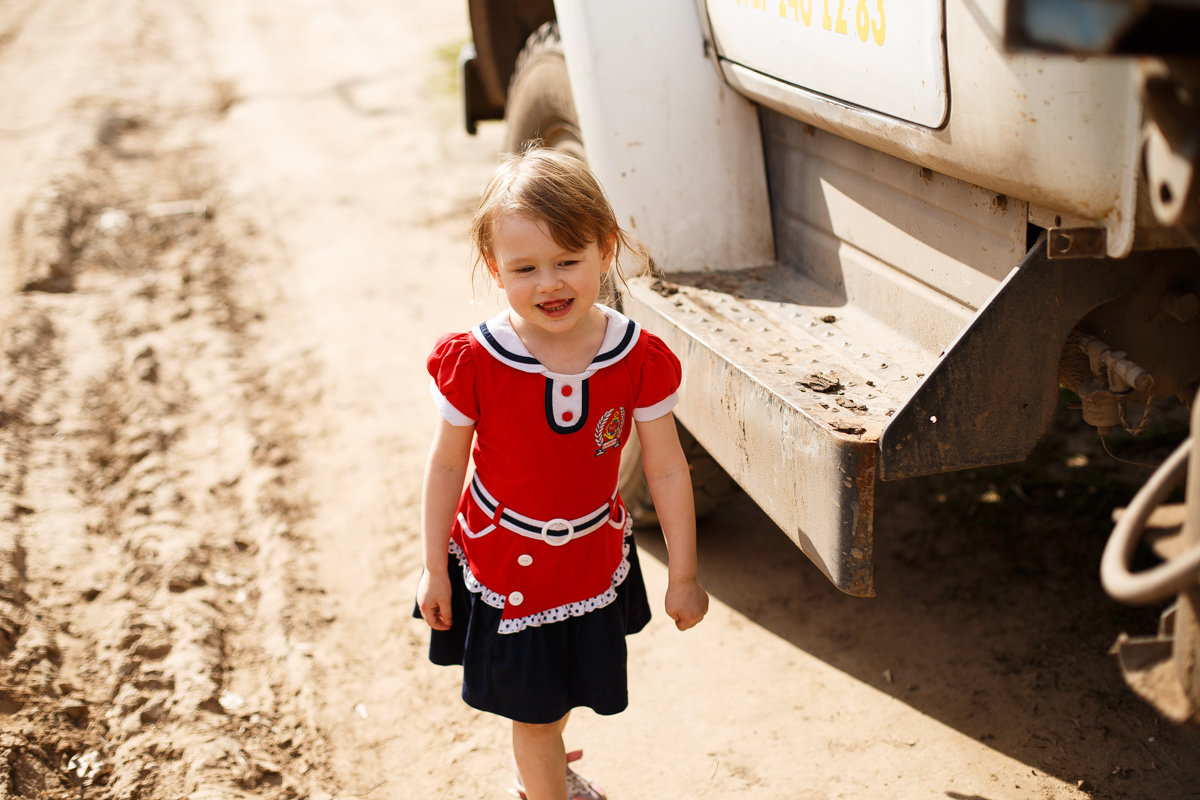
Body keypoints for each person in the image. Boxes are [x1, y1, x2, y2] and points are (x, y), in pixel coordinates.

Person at [414, 145, 709, 800]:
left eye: (568, 261)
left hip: (589, 559)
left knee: (561, 693)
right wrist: (435, 565)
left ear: (605, 250)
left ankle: (541, 767)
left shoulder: (635, 356)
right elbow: (444, 463)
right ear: (495, 268)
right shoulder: (478, 360)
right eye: (525, 268)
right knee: (537, 712)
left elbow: (665, 468)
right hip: (506, 562)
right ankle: (542, 784)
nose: (549, 284)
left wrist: (683, 573)